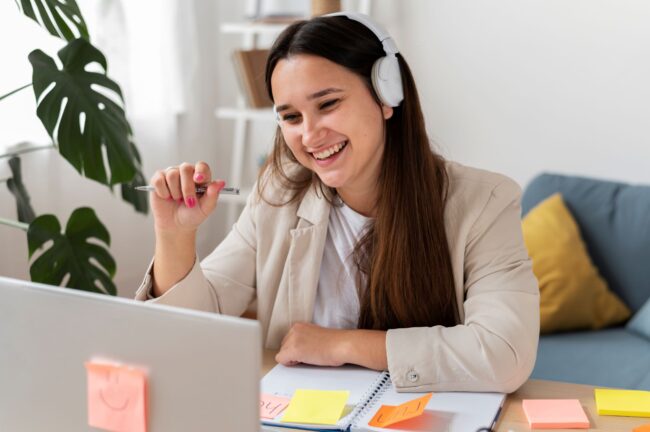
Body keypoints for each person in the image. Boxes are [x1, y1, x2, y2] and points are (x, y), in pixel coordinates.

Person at [135, 12, 539, 393]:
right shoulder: (276, 197)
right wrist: (174, 235)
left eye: (327, 104)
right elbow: (191, 328)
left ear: (387, 96)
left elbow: (505, 354)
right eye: (291, 117)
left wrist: (343, 345)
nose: (310, 135)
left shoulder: (485, 202)